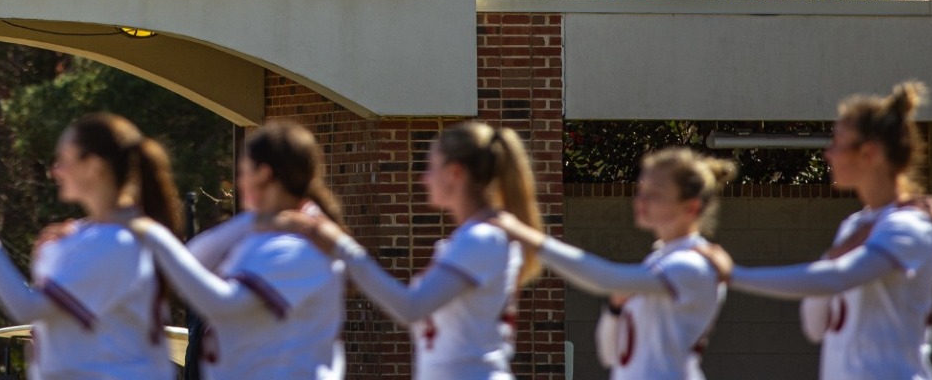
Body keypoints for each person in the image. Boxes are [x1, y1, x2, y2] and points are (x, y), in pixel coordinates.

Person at [712, 82, 932, 380]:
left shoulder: (908, 226)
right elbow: (814, 326)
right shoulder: (855, 225)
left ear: (869, 153)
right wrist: (834, 255)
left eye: (837, 143)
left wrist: (735, 275)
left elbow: (836, 278)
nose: (828, 154)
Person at [286, 119, 541, 380]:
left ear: (455, 173)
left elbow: (411, 307)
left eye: (430, 167)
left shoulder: (480, 239)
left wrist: (341, 246)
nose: (424, 179)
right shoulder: (471, 239)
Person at [0, 112, 179, 380]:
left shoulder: (112, 242)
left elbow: (28, 307)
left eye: (63, 160)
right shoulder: (98, 236)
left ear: (93, 166)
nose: (55, 171)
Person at [129, 121, 348, 379]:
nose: (239, 182)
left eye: (243, 172)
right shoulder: (262, 232)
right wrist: (254, 221)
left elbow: (211, 292)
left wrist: (151, 235)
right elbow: (194, 261)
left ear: (264, 175)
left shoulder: (294, 246)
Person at [491, 148, 734, 380]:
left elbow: (606, 278)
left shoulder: (691, 264)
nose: (641, 200)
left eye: (655, 193)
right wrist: (615, 309)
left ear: (691, 207)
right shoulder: (658, 262)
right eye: (641, 190)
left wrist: (526, 234)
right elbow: (609, 354)